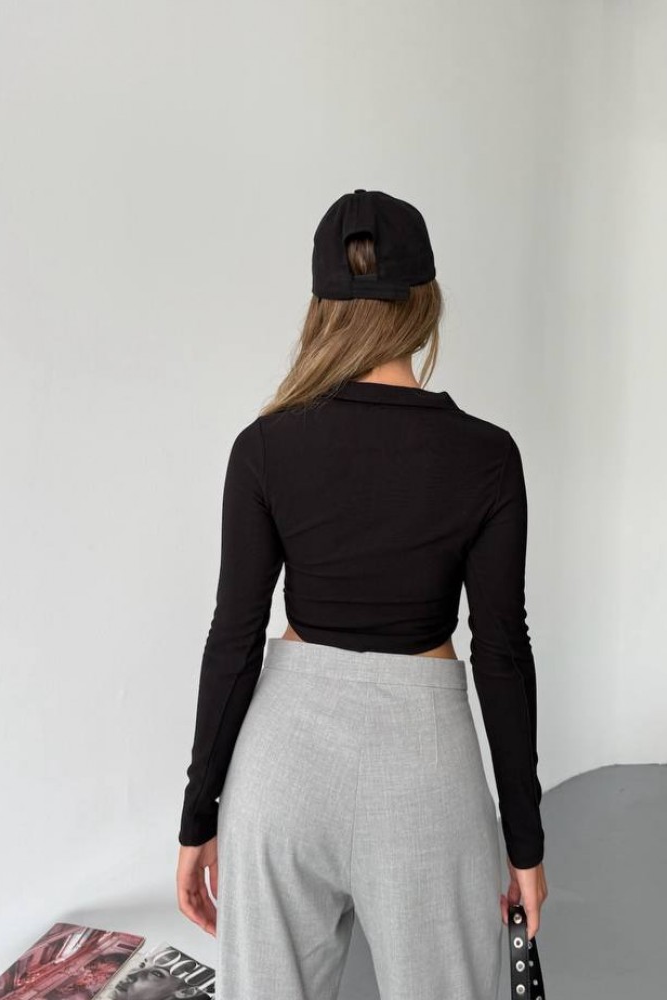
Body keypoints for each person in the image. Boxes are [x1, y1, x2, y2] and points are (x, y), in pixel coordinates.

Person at [175, 188, 548, 999]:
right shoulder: (487, 457)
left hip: (281, 767)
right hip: (425, 770)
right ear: (426, 301)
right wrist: (525, 844)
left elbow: (233, 638)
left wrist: (198, 816)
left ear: (321, 307)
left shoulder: (264, 447)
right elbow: (502, 653)